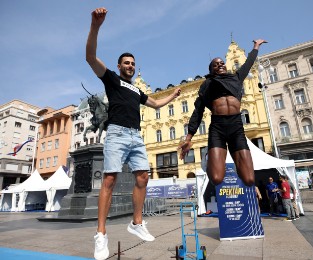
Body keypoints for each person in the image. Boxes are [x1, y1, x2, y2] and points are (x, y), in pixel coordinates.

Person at [86, 7, 181, 260]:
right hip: (116, 133)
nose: (130, 65)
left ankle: (136, 223)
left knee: (143, 178)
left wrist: (173, 96)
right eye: (126, 63)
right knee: (109, 180)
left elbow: (156, 104)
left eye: (133, 63)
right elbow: (90, 57)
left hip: (136, 136)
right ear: (119, 66)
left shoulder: (136, 90)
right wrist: (95, 26)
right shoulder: (112, 80)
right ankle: (101, 234)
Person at [178, 39, 267, 187]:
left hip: (236, 127)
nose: (220, 64)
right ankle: (210, 158)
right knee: (217, 178)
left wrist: (256, 46)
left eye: (222, 63)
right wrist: (188, 138)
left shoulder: (236, 78)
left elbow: (248, 63)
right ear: (211, 70)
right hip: (217, 129)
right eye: (216, 64)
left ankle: (230, 161)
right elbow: (198, 112)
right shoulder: (207, 84)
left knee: (250, 180)